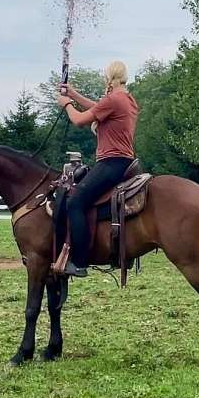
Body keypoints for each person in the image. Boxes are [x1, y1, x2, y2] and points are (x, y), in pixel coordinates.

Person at [56, 60, 139, 277]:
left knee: (75, 203)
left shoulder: (113, 99)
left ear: (108, 77)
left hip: (111, 162)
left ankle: (79, 262)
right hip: (124, 162)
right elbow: (98, 108)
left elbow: (79, 120)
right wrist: (73, 94)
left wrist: (66, 104)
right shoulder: (127, 100)